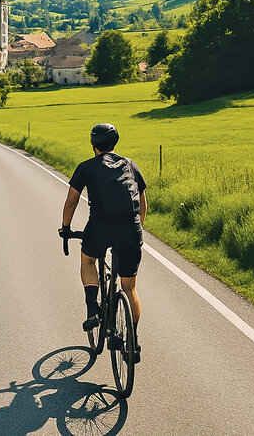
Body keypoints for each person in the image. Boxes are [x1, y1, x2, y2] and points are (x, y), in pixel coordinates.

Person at [59, 123, 146, 363]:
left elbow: (71, 201)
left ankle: (91, 308)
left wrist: (65, 228)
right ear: (115, 142)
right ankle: (133, 343)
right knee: (130, 288)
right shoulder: (130, 164)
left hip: (100, 228)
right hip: (131, 229)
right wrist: (137, 231)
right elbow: (141, 201)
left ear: (93, 145)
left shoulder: (86, 167)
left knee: (88, 260)